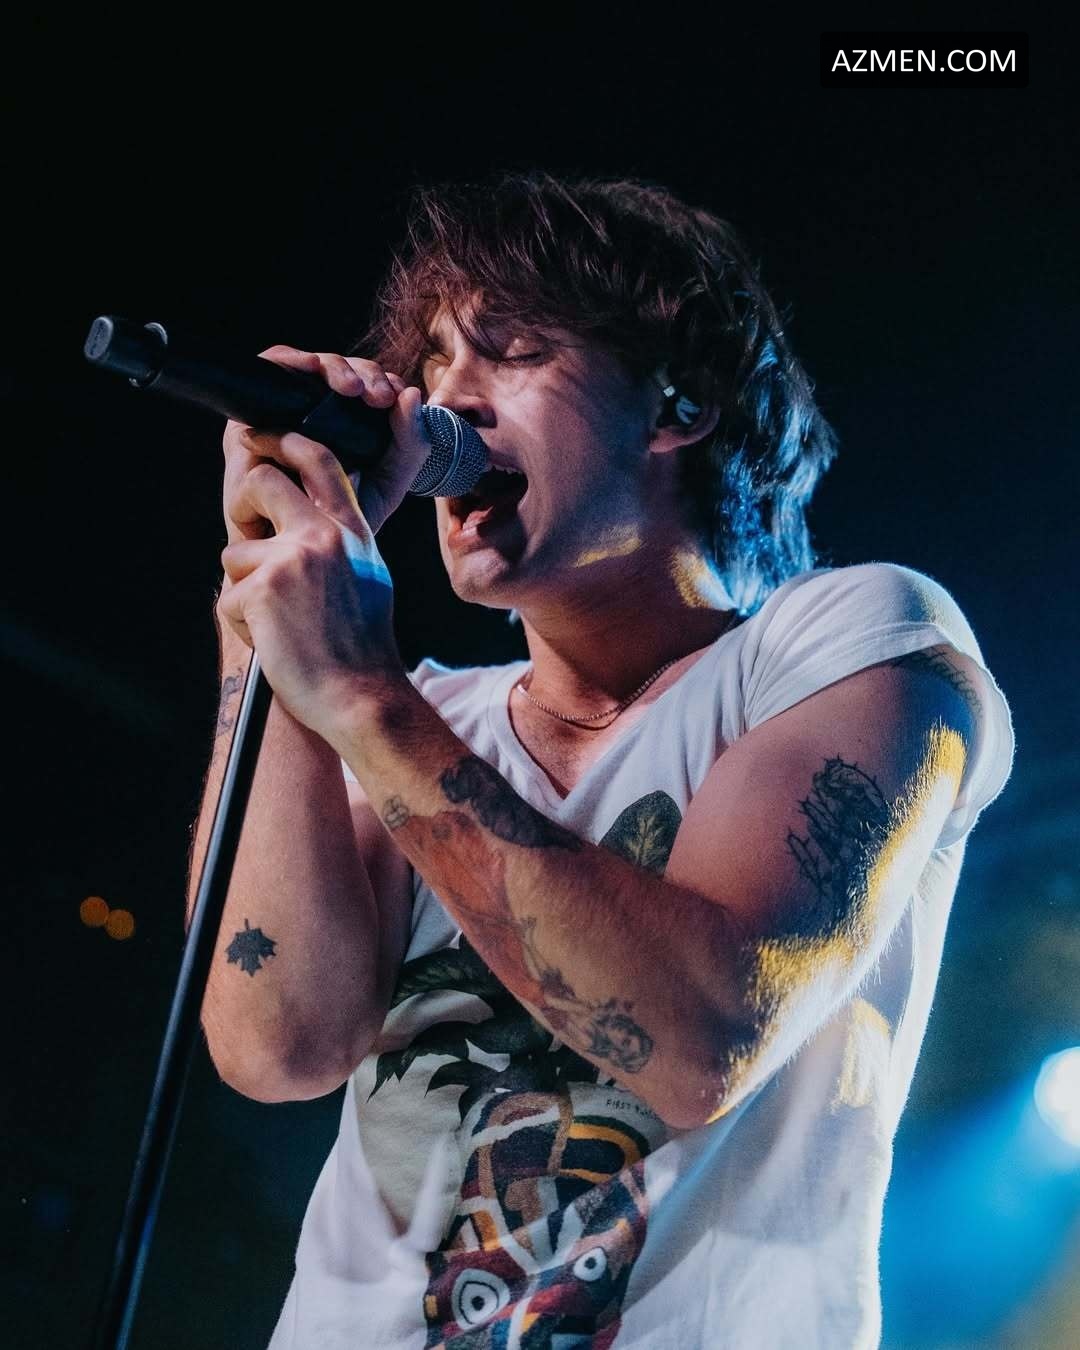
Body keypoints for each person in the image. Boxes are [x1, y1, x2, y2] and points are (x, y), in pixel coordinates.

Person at [187, 173, 1014, 1350]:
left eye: (512, 353)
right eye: (434, 364)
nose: (443, 402)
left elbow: (698, 1043)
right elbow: (277, 1048)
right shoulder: (419, 717)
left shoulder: (852, 642)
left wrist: (362, 695)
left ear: (676, 406)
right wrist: (264, 614)